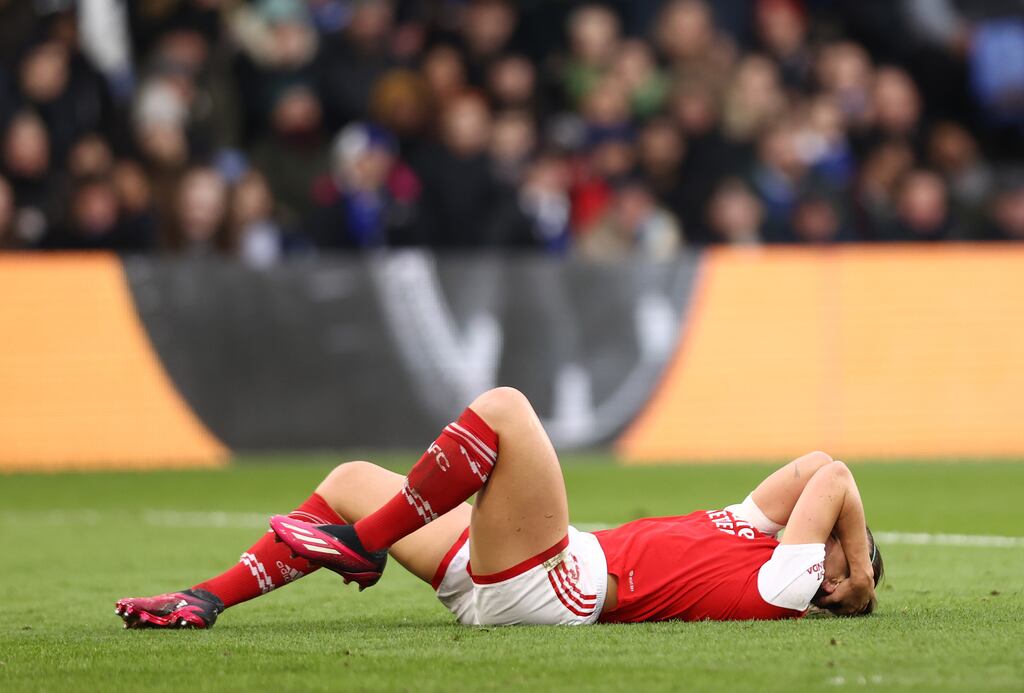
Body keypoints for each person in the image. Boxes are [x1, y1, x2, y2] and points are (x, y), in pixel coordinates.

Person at [115, 387, 882, 629]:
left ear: (834, 570)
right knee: (352, 475)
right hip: (523, 573)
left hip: (557, 585)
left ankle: (359, 545)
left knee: (508, 411)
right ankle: (206, 598)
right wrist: (855, 541)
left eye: (846, 550)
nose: (838, 544)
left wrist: (861, 574)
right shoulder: (756, 533)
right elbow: (815, 467)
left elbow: (836, 475)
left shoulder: (783, 585)